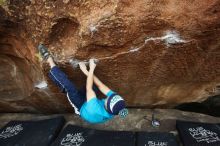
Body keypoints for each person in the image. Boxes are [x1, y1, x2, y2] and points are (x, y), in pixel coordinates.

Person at [38, 44, 128, 124]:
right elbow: (100, 85)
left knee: (70, 87)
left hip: (81, 106)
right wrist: (88, 71)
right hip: (89, 103)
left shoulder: (95, 108)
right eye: (111, 96)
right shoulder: (115, 103)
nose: (108, 96)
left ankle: (49, 59)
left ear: (107, 107)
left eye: (108, 99)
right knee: (95, 86)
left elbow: (89, 89)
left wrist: (88, 70)